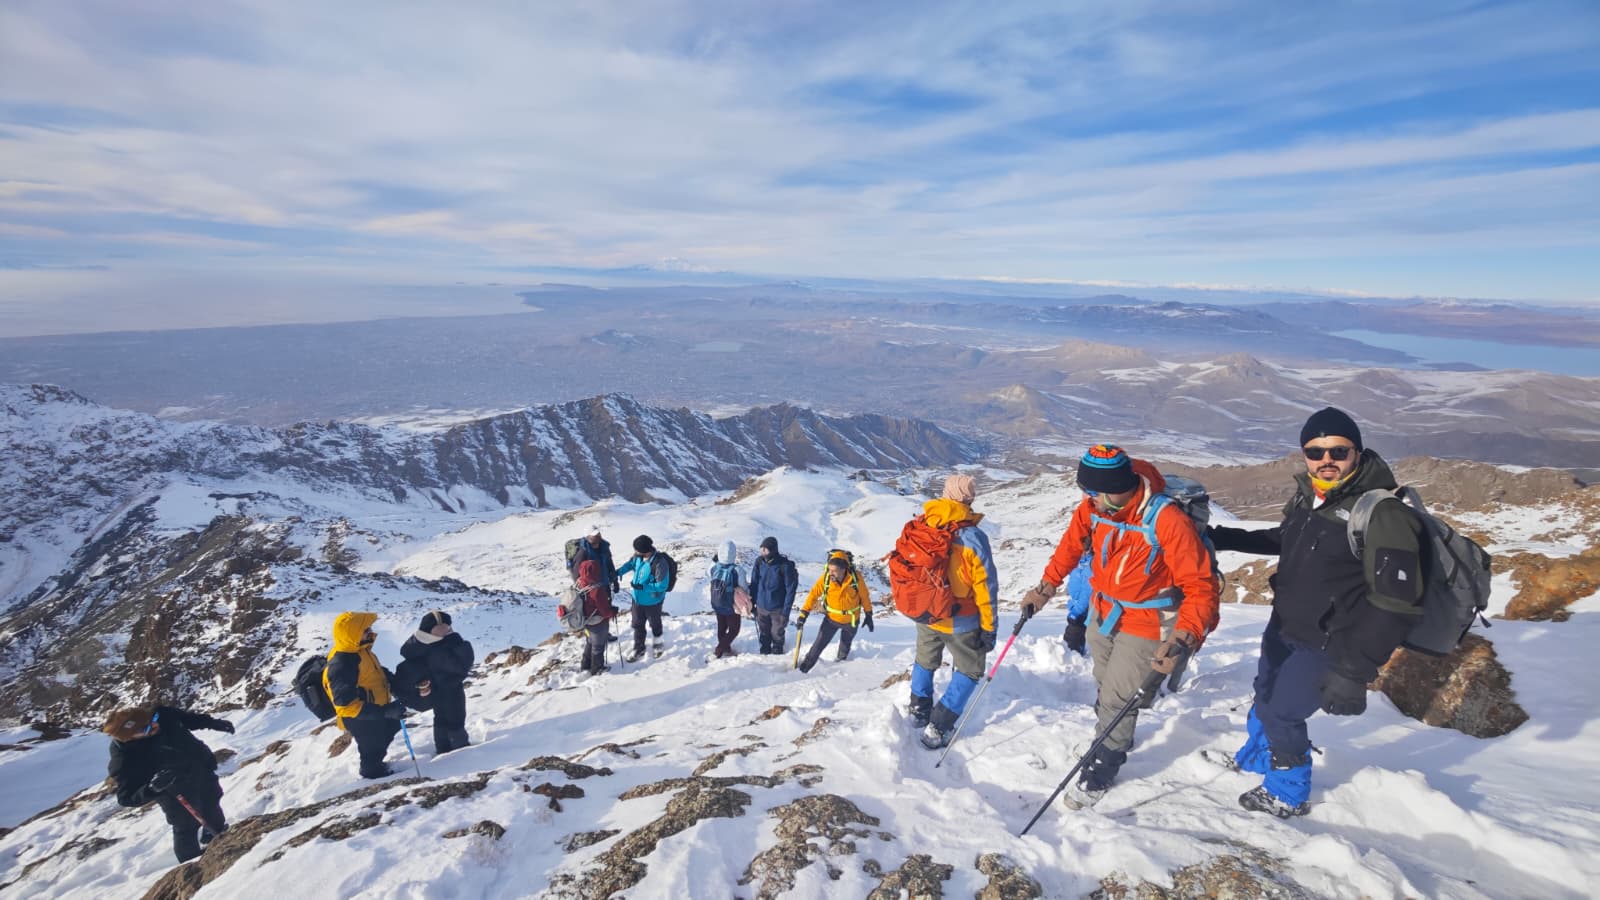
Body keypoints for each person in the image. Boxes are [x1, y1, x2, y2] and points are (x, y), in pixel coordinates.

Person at [1207, 407, 1424, 818]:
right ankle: (1260, 757)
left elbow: (1396, 604)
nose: (1326, 460)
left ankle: (1288, 791)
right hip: (1287, 625)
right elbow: (1285, 539)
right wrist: (1222, 537)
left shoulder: (1383, 514)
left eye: (1338, 451)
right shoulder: (1313, 496)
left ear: (1357, 452)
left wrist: (1353, 672)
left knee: (1282, 710)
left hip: (1330, 640)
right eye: (1315, 451)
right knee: (1264, 695)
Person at [1022, 445, 1220, 807]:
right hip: (1105, 611)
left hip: (1149, 619)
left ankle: (1103, 765)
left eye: (1094, 492)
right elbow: (1070, 546)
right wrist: (1045, 587)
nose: (1088, 499)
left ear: (1116, 488)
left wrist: (1182, 636)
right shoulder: (1095, 509)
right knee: (1104, 681)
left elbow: (1200, 586)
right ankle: (1114, 734)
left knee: (1118, 696)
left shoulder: (1165, 520)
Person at [903, 474, 1001, 750]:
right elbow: (986, 587)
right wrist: (990, 627)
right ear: (969, 499)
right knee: (971, 670)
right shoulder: (972, 536)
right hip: (961, 619)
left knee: (925, 660)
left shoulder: (923, 522)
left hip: (927, 612)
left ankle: (918, 710)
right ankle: (939, 726)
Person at [104, 704, 233, 863]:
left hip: (199, 767)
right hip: (173, 791)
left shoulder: (161, 714)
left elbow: (187, 719)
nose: (154, 726)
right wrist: (152, 788)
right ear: (129, 738)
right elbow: (126, 797)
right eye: (145, 730)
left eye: (152, 721)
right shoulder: (123, 759)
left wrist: (213, 723)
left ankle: (215, 834)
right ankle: (191, 862)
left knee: (212, 802)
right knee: (185, 825)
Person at [324, 611, 407, 779]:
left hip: (375, 708)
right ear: (352, 633)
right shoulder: (343, 663)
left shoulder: (361, 650)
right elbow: (345, 706)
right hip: (361, 716)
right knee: (372, 748)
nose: (370, 632)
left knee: (390, 729)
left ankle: (377, 766)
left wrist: (393, 682)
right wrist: (385, 712)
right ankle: (373, 776)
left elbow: (375, 673)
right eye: (365, 629)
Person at [399, 610, 475, 755]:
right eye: (439, 628)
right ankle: (459, 748)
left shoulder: (427, 643)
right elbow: (456, 665)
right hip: (442, 687)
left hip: (446, 687)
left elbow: (463, 662)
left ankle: (447, 747)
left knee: (449, 717)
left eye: (446, 627)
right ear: (428, 630)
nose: (443, 631)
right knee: (450, 717)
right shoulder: (423, 645)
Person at [795, 550, 872, 673]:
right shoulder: (826, 578)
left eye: (834, 571)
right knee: (818, 645)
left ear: (843, 569)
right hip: (831, 619)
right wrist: (804, 613)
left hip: (851, 620)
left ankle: (840, 667)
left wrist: (869, 614)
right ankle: (804, 668)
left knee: (845, 645)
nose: (830, 573)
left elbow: (864, 596)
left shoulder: (856, 578)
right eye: (829, 570)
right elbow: (813, 595)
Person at [617, 535, 671, 661]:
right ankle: (639, 647)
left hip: (653, 601)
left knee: (655, 624)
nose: (635, 551)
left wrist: (643, 587)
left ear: (644, 549)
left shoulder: (659, 563)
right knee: (637, 624)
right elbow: (629, 565)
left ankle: (658, 644)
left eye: (637, 549)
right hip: (637, 600)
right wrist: (618, 572)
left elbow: (662, 585)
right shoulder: (638, 557)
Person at [748, 536, 799, 655]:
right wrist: (752, 603)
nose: (762, 552)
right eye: (761, 549)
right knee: (764, 631)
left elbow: (790, 590)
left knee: (777, 632)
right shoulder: (759, 562)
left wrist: (785, 613)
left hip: (778, 608)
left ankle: (777, 649)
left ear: (773, 550)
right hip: (761, 605)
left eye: (765, 550)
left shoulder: (784, 566)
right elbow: (754, 583)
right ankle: (765, 648)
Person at [709, 540, 748, 658]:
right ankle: (720, 648)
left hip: (717, 603)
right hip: (731, 605)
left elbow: (709, 574)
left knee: (722, 626)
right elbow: (744, 587)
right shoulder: (737, 570)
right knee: (734, 629)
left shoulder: (714, 568)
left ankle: (725, 648)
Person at [1061, 552, 1093, 656]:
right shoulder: (1079, 562)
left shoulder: (1091, 565)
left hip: (1084, 608)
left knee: (1073, 633)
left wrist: (1078, 610)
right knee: (1075, 631)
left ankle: (1074, 656)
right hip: (1077, 605)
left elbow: (1087, 591)